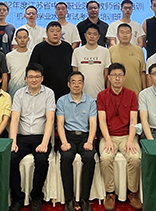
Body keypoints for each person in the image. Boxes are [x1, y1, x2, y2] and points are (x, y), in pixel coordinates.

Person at [8, 63, 55, 211]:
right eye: (31, 77)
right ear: (26, 78)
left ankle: (36, 196)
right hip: (22, 137)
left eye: (37, 77)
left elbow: (50, 119)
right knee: (11, 158)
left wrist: (45, 143)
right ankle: (18, 197)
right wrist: (13, 141)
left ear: (42, 78)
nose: (34, 79)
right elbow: (15, 119)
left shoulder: (49, 93)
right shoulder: (19, 94)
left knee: (41, 160)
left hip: (40, 137)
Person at [97, 63, 142, 211]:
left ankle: (133, 193)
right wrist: (108, 140)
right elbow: (102, 121)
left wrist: (130, 140)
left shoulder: (131, 95)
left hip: (127, 135)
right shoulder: (102, 95)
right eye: (114, 75)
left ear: (124, 77)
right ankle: (110, 193)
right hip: (108, 136)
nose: (117, 78)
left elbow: (134, 120)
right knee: (105, 157)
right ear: (109, 77)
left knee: (135, 158)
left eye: (120, 75)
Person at [56, 71, 97, 211]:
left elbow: (93, 124)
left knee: (89, 157)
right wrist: (63, 142)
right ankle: (69, 199)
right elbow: (60, 123)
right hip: (68, 136)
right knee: (66, 157)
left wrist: (90, 141)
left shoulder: (90, 101)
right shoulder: (62, 101)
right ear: (68, 84)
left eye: (79, 82)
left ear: (83, 84)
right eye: (73, 82)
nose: (76, 85)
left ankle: (85, 198)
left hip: (85, 136)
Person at [30, 21, 73, 100]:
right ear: (46, 33)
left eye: (58, 31)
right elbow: (32, 69)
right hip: (43, 91)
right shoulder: (39, 48)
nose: (55, 33)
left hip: (65, 91)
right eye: (52, 31)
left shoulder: (67, 47)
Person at [71, 23, 111, 99]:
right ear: (85, 35)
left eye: (95, 34)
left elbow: (106, 75)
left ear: (98, 37)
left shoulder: (105, 51)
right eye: (89, 34)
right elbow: (75, 74)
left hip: (99, 95)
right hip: (81, 96)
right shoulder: (77, 51)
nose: (92, 36)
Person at [109, 23, 146, 95]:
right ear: (117, 35)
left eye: (127, 32)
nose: (125, 35)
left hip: (136, 92)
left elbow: (142, 72)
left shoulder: (138, 50)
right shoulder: (111, 50)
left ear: (131, 35)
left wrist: (144, 91)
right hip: (116, 93)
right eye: (122, 32)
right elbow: (109, 73)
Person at [6, 28, 32, 97]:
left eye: (25, 37)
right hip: (13, 90)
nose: (22, 40)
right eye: (19, 38)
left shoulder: (32, 54)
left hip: (30, 91)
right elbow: (7, 75)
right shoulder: (9, 56)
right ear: (16, 39)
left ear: (28, 39)